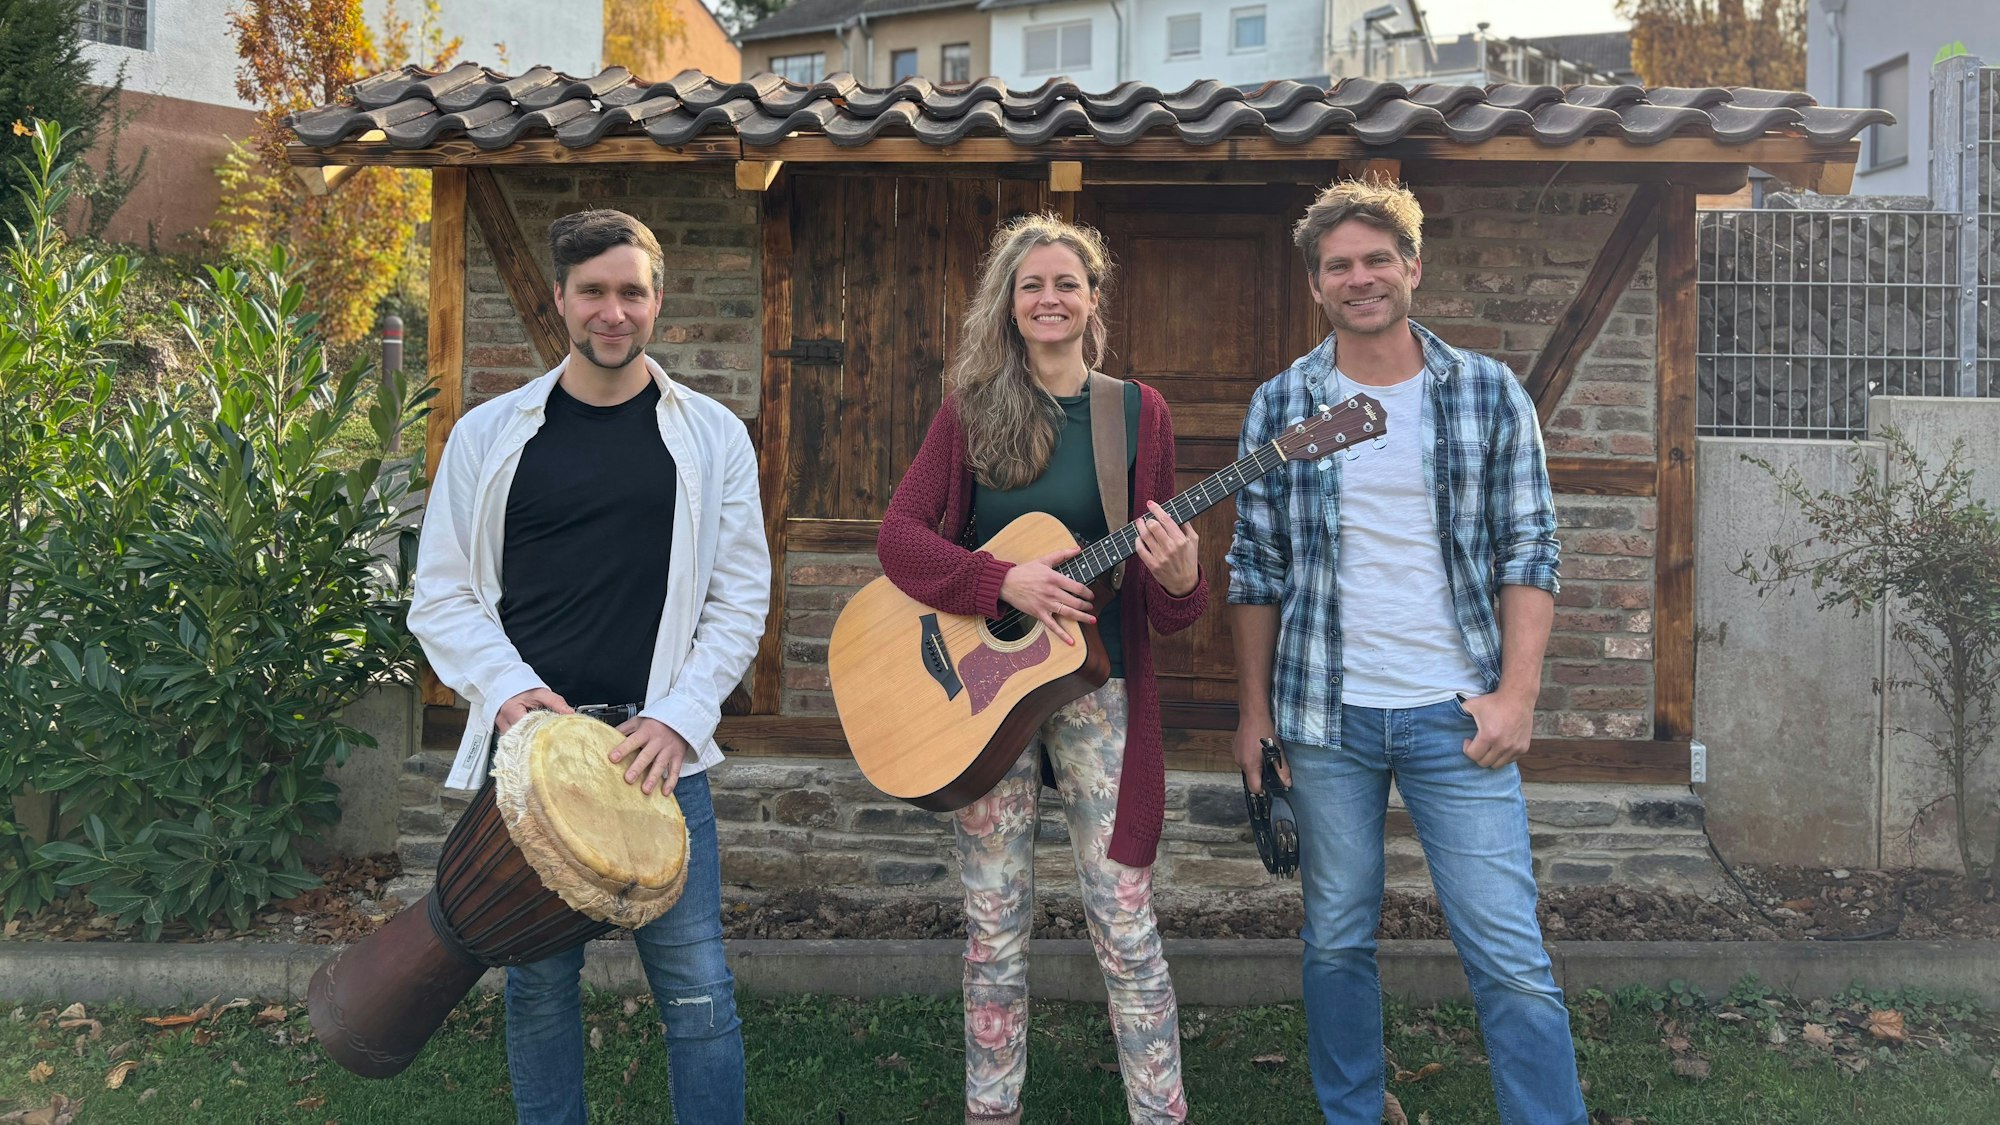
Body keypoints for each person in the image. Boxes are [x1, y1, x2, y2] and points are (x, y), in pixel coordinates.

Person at [1225, 179, 1586, 1125]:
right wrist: (1255, 713)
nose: (1361, 278)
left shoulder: (1487, 391)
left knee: (1507, 949)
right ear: (1315, 284)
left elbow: (1532, 547)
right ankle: (1352, 1113)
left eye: (1378, 259)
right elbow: (1255, 567)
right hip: (1324, 719)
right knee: (1337, 938)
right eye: (1339, 265)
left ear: (1414, 267)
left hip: (1457, 715)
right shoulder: (1282, 403)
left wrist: (1517, 695)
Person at [407, 208, 769, 1125]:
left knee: (699, 992)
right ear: (561, 299)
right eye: (594, 292)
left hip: (660, 760)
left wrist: (680, 717)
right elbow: (440, 594)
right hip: (533, 761)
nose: (614, 311)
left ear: (658, 301)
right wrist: (508, 692)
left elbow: (740, 600)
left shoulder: (714, 437)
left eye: (631, 292)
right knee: (537, 988)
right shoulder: (488, 435)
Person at [876, 213, 1207, 1125]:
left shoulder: (1137, 413)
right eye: (1033, 285)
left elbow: (1166, 603)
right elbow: (899, 537)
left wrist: (1182, 578)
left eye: (1067, 283)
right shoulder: (970, 409)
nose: (1050, 298)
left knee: (1126, 920)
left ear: (1094, 300)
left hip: (1101, 687)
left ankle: (1161, 1112)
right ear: (1010, 302)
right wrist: (1000, 580)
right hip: (984, 700)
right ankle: (991, 1113)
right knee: (993, 927)